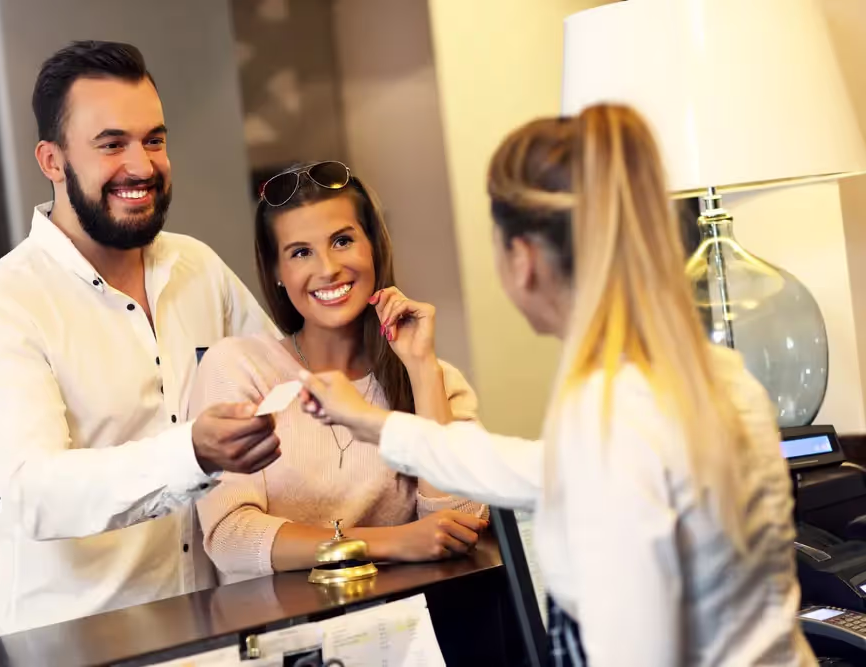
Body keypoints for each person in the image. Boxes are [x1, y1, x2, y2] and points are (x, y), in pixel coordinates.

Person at [295, 107, 815, 665]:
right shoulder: (713, 375)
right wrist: (371, 421)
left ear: (522, 259)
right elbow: (537, 469)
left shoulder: (611, 409)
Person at [0, 41, 280, 637]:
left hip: (208, 629)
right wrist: (193, 453)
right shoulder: (3, 306)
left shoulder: (199, 268)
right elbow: (37, 492)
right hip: (70, 642)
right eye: (112, 145)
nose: (142, 165)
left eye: (154, 140)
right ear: (52, 160)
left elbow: (283, 386)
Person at [188, 161, 487, 584]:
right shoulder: (238, 367)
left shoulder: (438, 381)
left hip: (413, 630)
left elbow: (461, 526)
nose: (327, 268)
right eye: (301, 252)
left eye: (342, 241)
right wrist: (390, 542)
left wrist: (421, 370)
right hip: (284, 635)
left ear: (373, 248)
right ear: (276, 271)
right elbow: (230, 537)